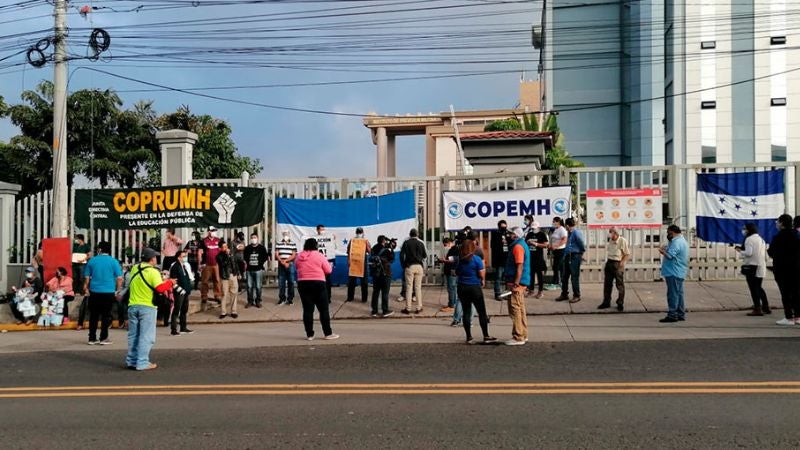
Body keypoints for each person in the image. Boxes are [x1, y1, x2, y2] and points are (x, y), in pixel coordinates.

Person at [127, 248, 174, 371]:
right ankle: (142, 362)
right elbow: (160, 288)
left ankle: (131, 361)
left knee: (134, 335)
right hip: (147, 307)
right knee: (146, 336)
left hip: (132, 305)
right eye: (155, 257)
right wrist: (170, 282)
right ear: (152, 259)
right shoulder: (153, 272)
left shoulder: (134, 269)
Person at [296, 238, 339, 340]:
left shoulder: (299, 256)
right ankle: (328, 333)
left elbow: (297, 267)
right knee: (323, 310)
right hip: (318, 283)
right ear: (316, 246)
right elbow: (328, 270)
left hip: (303, 283)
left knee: (307, 310)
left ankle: (309, 334)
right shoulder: (319, 255)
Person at [455, 240, 497, 345]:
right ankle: (486, 335)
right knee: (481, 312)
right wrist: (482, 280)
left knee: (466, 312)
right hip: (474, 287)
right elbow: (481, 273)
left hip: (462, 286)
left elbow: (457, 272)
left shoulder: (459, 260)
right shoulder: (476, 259)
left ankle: (469, 337)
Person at [82, 241, 123, 345]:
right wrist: (117, 290)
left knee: (93, 315)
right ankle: (103, 338)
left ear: (99, 249)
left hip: (94, 292)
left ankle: (92, 338)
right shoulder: (114, 262)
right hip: (108, 292)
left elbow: (86, 278)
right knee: (106, 315)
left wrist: (86, 288)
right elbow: (119, 278)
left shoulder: (92, 261)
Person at [767, 214, 800, 326]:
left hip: (783, 270)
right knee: (796, 293)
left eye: (777, 221)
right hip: (796, 269)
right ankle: (798, 316)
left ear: (781, 223)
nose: (776, 223)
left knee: (785, 294)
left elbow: (771, 252)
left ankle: (789, 317)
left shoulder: (779, 237)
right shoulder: (797, 235)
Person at [503, 227, 530, 346]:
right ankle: (523, 334)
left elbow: (519, 266)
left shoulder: (518, 247)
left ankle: (518, 336)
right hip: (519, 282)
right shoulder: (520, 245)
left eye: (510, 233)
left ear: (515, 235)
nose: (508, 235)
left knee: (515, 309)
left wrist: (516, 282)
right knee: (520, 308)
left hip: (516, 283)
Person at [736, 223, 770, 316]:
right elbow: (766, 256)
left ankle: (757, 308)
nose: (743, 230)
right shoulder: (761, 239)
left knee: (753, 289)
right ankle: (765, 306)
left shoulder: (749, 239)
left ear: (748, 230)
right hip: (760, 267)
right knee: (759, 287)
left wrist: (740, 251)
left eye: (744, 229)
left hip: (752, 267)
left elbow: (749, 253)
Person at [658, 224, 689, 323]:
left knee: (672, 294)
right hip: (679, 271)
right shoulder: (681, 241)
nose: (667, 234)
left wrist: (662, 251)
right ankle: (680, 313)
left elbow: (670, 256)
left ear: (672, 232)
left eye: (668, 232)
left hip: (673, 271)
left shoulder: (676, 242)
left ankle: (672, 314)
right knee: (679, 294)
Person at [598, 227, 631, 312]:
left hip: (617, 263)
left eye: (611, 232)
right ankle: (606, 302)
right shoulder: (611, 240)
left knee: (619, 284)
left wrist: (622, 262)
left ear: (615, 233)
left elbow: (627, 254)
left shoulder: (622, 241)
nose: (609, 234)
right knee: (607, 284)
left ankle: (620, 302)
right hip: (609, 262)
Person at [555, 218, 585, 303]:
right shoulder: (569, 233)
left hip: (575, 256)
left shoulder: (576, 232)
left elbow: (581, 243)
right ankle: (564, 294)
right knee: (564, 276)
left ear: (567, 226)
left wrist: (581, 252)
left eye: (565, 226)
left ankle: (576, 295)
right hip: (568, 256)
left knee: (574, 277)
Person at [400, 228, 427, 314]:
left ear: (410, 234)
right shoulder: (420, 243)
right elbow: (425, 256)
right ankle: (419, 308)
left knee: (409, 287)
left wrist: (404, 265)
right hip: (419, 266)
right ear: (417, 234)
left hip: (409, 266)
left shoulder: (406, 243)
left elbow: (401, 255)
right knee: (418, 287)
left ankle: (408, 308)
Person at [169, 250, 194, 336]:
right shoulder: (175, 267)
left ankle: (183, 327)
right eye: (183, 256)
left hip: (185, 292)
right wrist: (180, 290)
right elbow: (173, 281)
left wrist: (188, 289)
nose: (185, 258)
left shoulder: (183, 266)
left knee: (184, 310)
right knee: (177, 310)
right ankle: (173, 329)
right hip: (179, 292)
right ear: (179, 257)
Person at [369, 236, 395, 318]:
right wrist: (392, 249)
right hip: (385, 273)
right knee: (385, 292)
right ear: (383, 241)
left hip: (375, 274)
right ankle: (385, 310)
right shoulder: (386, 250)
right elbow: (392, 259)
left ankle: (374, 311)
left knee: (375, 292)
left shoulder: (373, 248)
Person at [243, 233, 269, 308]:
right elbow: (244, 257)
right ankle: (250, 301)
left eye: (255, 237)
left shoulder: (261, 248)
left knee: (258, 286)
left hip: (258, 270)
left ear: (257, 238)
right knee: (249, 286)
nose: (253, 239)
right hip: (249, 270)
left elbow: (265, 257)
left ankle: (258, 301)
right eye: (252, 238)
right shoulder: (247, 248)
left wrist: (260, 264)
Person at [216, 242, 241, 319]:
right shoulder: (219, 256)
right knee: (224, 294)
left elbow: (236, 264)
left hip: (233, 275)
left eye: (226, 246)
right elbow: (223, 264)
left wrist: (238, 273)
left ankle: (233, 311)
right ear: (220, 248)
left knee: (234, 293)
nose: (226, 248)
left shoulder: (232, 254)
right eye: (223, 247)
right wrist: (227, 255)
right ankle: (223, 312)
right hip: (224, 277)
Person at [200, 227, 223, 307]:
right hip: (206, 264)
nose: (214, 232)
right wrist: (200, 264)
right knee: (205, 281)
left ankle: (217, 295)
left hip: (216, 264)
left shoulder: (218, 240)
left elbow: (222, 250)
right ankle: (204, 296)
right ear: (208, 231)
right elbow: (200, 252)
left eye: (215, 231)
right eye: (212, 231)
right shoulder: (204, 241)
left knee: (217, 280)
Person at [346, 227, 371, 303]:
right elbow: (348, 251)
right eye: (358, 232)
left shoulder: (365, 241)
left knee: (363, 282)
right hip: (354, 263)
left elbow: (369, 251)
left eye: (360, 232)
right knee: (352, 282)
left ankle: (364, 298)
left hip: (363, 263)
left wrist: (366, 244)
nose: (359, 234)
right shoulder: (352, 241)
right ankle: (351, 297)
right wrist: (348, 260)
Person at [314, 224, 337, 302]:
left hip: (326, 263)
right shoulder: (314, 239)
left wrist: (333, 240)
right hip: (317, 264)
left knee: (327, 281)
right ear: (317, 230)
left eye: (324, 230)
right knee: (318, 281)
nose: (323, 231)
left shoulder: (329, 239)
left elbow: (334, 249)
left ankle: (328, 297)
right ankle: (318, 297)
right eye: (321, 230)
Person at [525, 221, 548, 299]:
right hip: (531, 257)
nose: (533, 229)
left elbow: (546, 245)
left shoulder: (542, 234)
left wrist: (537, 244)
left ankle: (540, 291)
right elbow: (525, 243)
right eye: (532, 228)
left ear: (538, 227)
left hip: (539, 258)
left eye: (535, 228)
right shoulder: (529, 234)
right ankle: (531, 290)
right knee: (531, 275)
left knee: (539, 275)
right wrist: (528, 242)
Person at [275, 230, 298, 305]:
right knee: (281, 282)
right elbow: (277, 254)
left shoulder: (293, 244)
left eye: (287, 234)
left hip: (290, 264)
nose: (286, 235)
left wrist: (286, 261)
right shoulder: (279, 243)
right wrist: (282, 261)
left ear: (289, 235)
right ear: (282, 234)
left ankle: (290, 299)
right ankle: (282, 299)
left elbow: (294, 255)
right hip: (281, 265)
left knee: (291, 282)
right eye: (284, 234)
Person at [437, 237, 458, 316]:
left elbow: (454, 259)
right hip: (451, 271)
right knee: (453, 288)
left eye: (446, 245)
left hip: (451, 271)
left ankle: (451, 305)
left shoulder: (455, 249)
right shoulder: (452, 249)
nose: (446, 246)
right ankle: (453, 303)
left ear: (449, 242)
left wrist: (444, 260)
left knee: (451, 288)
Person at [490, 220, 510, 300]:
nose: (504, 228)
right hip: (499, 259)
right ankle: (497, 293)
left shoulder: (508, 234)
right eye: (502, 227)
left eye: (505, 227)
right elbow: (493, 246)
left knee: (507, 278)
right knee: (498, 277)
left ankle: (506, 294)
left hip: (507, 258)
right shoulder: (495, 234)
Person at [547, 217, 568, 290]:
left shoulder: (562, 229)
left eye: (554, 221)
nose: (553, 223)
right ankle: (559, 282)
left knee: (557, 267)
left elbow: (564, 240)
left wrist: (556, 246)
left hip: (561, 250)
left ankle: (557, 283)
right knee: (557, 267)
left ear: (558, 222)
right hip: (556, 251)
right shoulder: (556, 229)